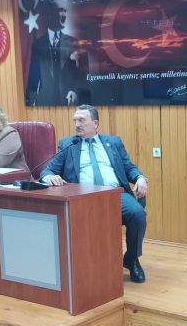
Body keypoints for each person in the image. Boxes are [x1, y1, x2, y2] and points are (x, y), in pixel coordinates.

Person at [40, 105, 148, 283]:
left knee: (137, 214)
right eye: (75, 120)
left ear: (95, 123)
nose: (77, 124)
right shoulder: (68, 144)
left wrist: (140, 178)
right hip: (83, 197)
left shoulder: (113, 142)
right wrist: (49, 176)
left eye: (82, 120)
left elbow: (129, 168)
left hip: (114, 194)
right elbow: (47, 170)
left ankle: (132, 258)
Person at [26, 0, 83, 107]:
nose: (64, 15)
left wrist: (74, 91)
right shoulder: (38, 44)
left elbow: (79, 74)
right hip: (45, 103)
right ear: (50, 13)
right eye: (60, 10)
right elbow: (34, 76)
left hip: (69, 102)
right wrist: (30, 100)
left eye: (65, 11)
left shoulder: (73, 42)